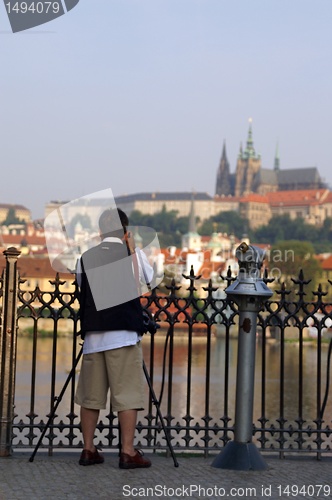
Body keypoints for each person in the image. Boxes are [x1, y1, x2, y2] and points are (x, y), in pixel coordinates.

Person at [74, 208, 153, 468]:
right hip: (123, 335)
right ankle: (128, 452)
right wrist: (131, 248)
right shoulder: (134, 255)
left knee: (91, 396)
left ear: (99, 232)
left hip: (94, 337)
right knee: (127, 395)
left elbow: (82, 289)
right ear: (125, 232)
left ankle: (88, 449)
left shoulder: (84, 258)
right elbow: (149, 282)